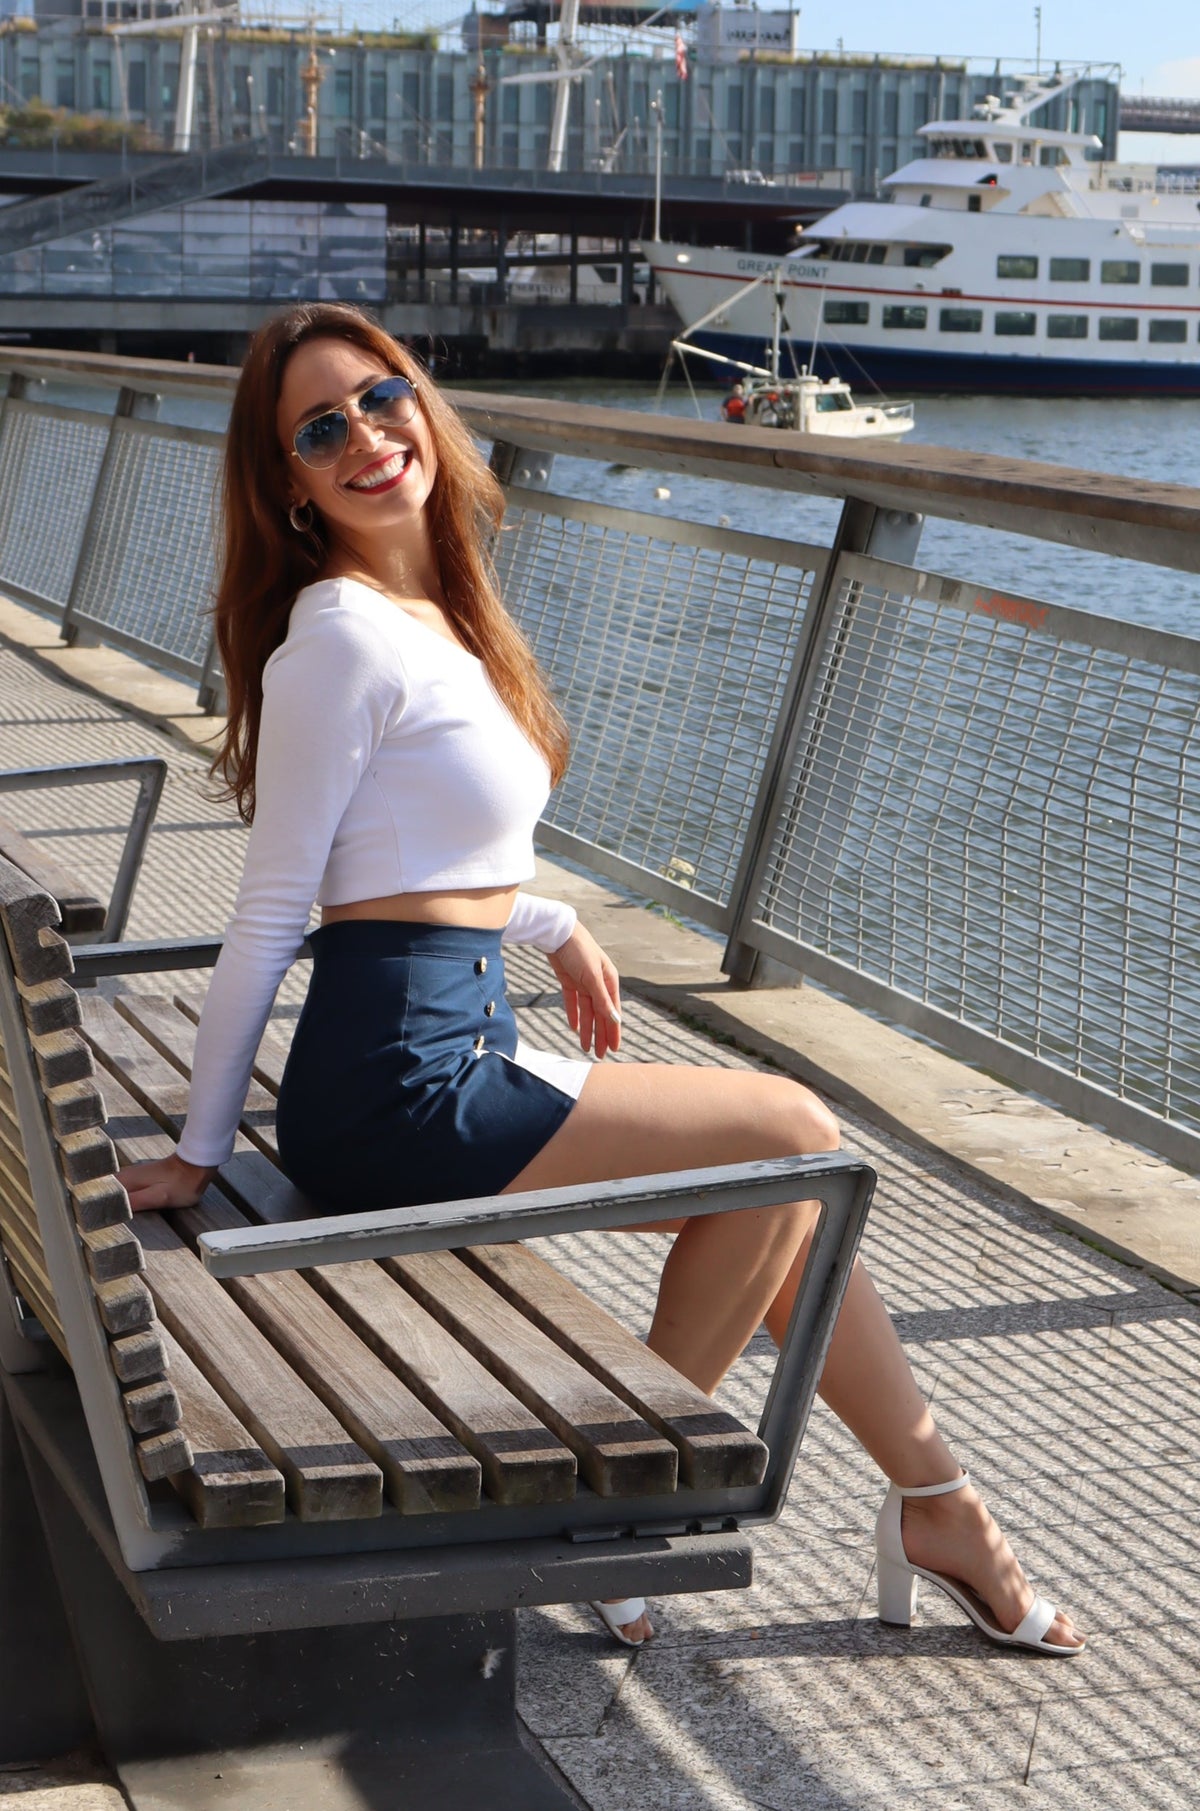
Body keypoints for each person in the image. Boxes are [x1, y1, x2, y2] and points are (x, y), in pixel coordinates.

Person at [117, 303, 1083, 1658]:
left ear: (422, 401)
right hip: (399, 1085)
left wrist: (551, 920)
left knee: (793, 1195)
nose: (367, 438)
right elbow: (281, 906)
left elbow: (419, 860)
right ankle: (621, 1499)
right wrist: (201, 1151)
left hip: (447, 1039)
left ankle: (939, 1504)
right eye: (320, 430)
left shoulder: (432, 613)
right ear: (288, 483)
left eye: (381, 398)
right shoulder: (339, 638)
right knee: (794, 1138)